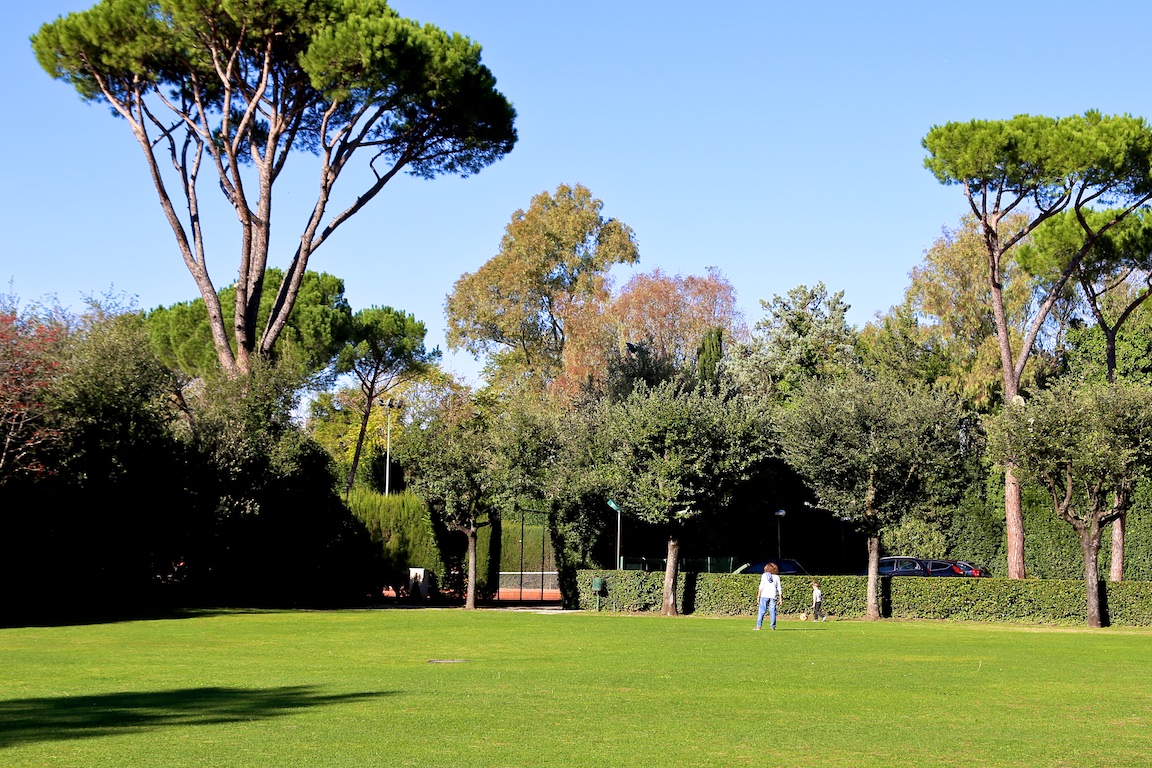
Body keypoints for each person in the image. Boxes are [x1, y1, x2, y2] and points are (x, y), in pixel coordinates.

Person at [755, 562, 781, 630]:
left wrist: (758, 596)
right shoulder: (777, 577)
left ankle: (758, 626)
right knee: (773, 612)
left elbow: (761, 587)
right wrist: (780, 598)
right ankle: (773, 627)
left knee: (762, 611)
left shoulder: (764, 575)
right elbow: (779, 588)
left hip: (764, 595)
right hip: (773, 596)